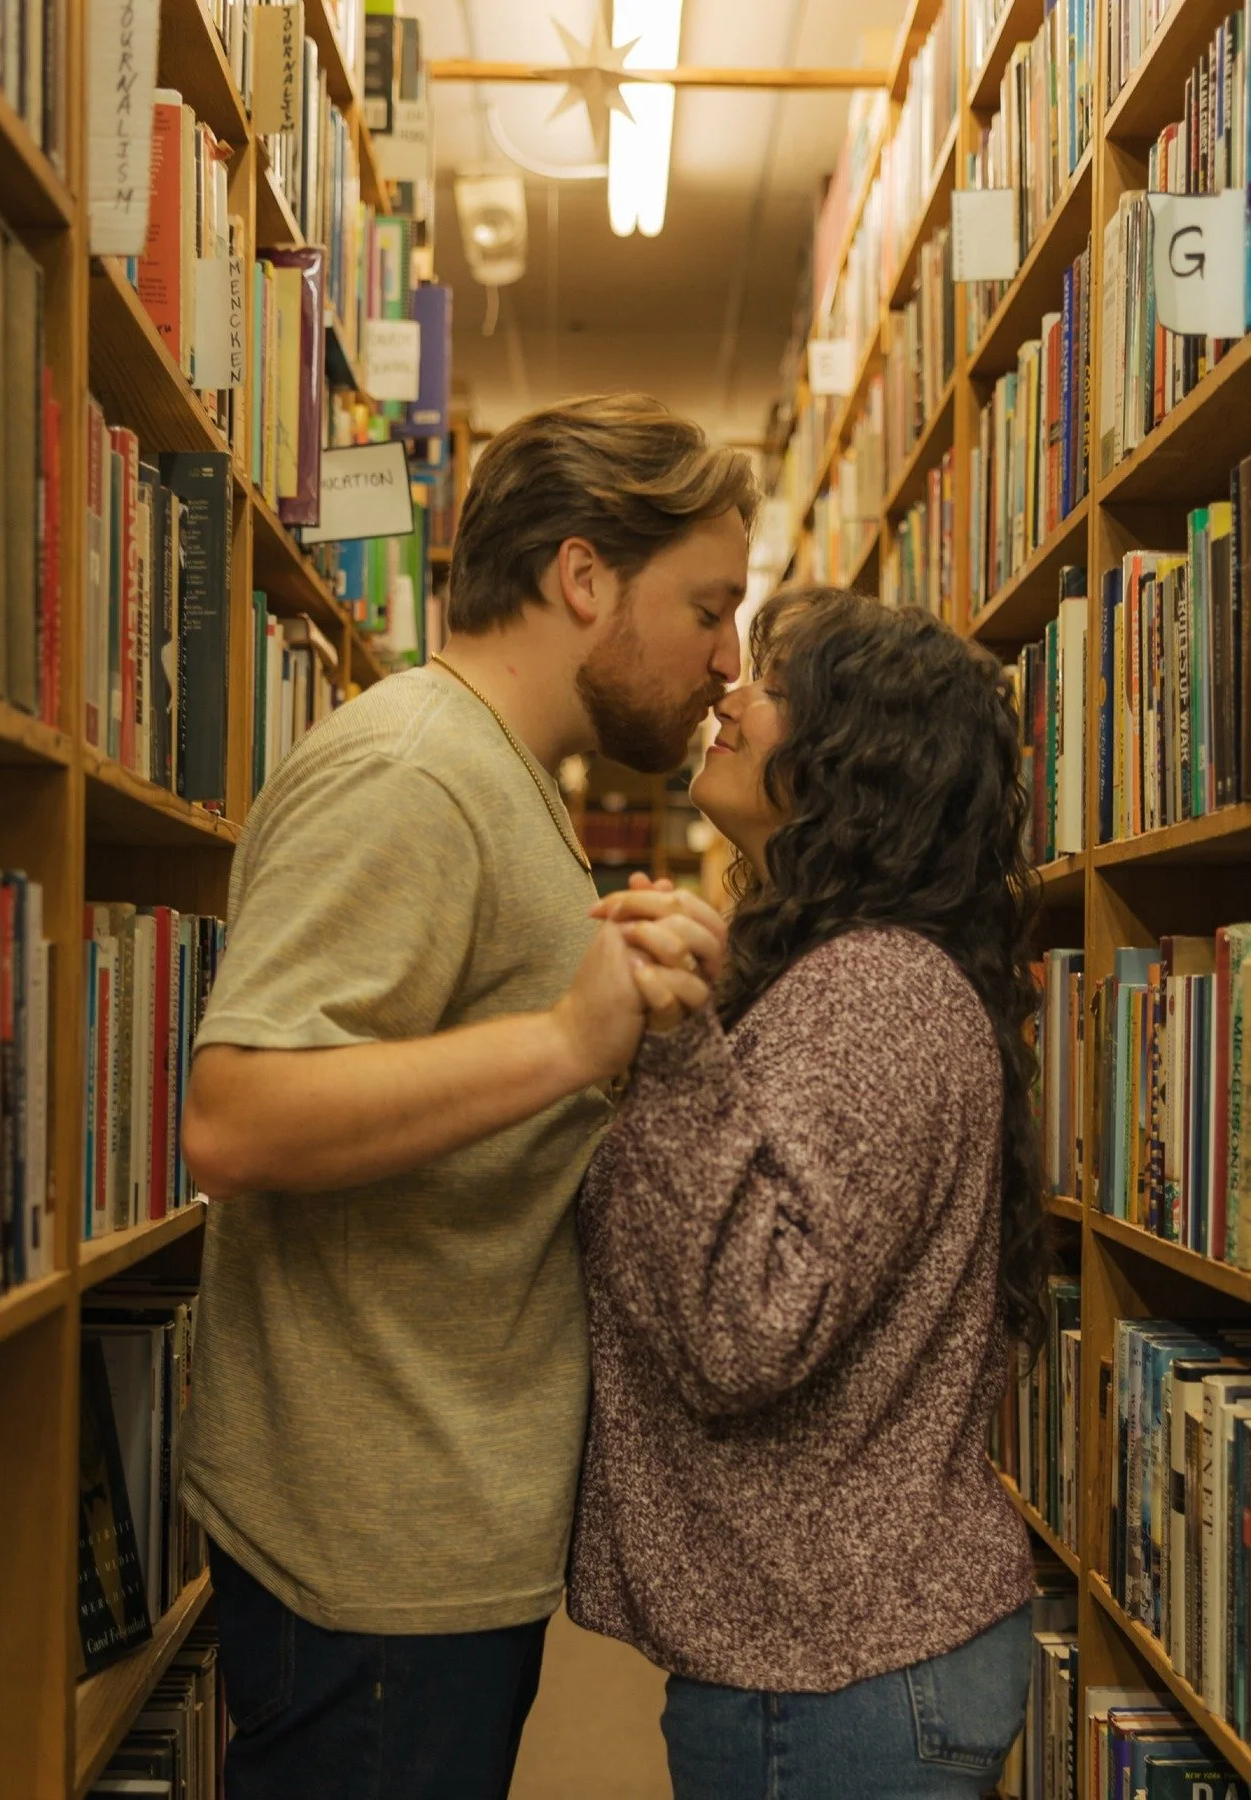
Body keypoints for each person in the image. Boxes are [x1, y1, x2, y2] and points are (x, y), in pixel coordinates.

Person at [178, 393, 758, 1799]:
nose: (728, 663)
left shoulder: (494, 777)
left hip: (431, 1529)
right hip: (371, 1555)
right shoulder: (412, 770)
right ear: (582, 578)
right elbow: (236, 1115)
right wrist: (568, 1043)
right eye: (709, 608)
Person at [569, 587, 1046, 1800]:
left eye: (774, 685)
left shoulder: (877, 991)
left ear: (858, 757)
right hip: (834, 1653)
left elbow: (744, 1328)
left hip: (839, 1671)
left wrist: (676, 1046)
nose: (732, 692)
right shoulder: (842, 979)